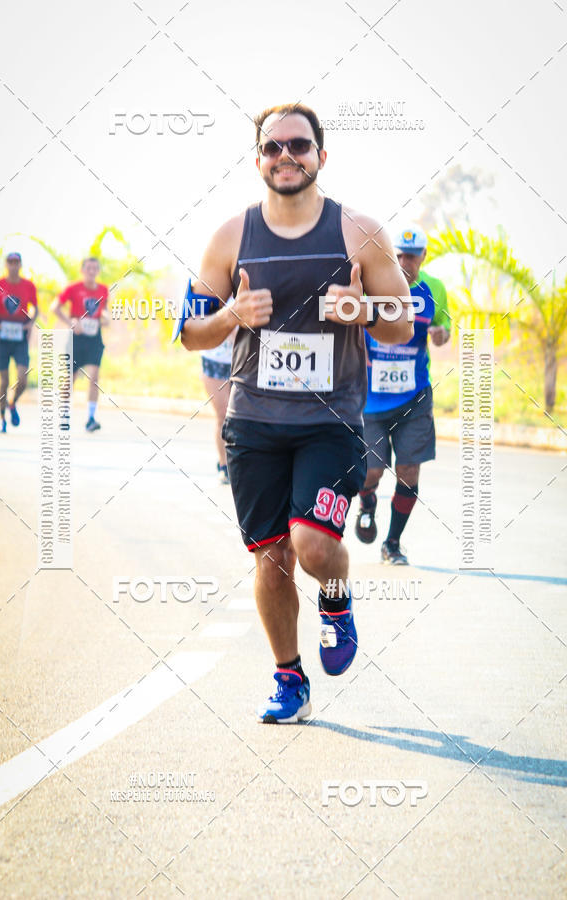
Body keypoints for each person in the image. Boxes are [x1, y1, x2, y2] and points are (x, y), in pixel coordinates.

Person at [178, 103, 412, 723]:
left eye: (299, 146)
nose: (287, 156)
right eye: (273, 146)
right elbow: (190, 333)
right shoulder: (230, 236)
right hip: (254, 423)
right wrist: (232, 315)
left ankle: (336, 603)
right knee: (271, 558)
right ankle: (290, 680)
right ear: (258, 159)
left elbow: (402, 323)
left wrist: (360, 313)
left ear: (321, 157)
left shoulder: (358, 232)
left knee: (312, 545)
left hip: (329, 421)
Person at [355, 224, 450, 565]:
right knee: (371, 473)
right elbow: (350, 321)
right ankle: (366, 502)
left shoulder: (434, 289)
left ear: (424, 256)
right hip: (370, 400)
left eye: (412, 255)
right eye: (398, 255)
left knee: (409, 472)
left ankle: (392, 543)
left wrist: (441, 334)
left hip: (415, 397)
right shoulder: (371, 286)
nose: (404, 262)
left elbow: (443, 328)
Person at [0, 252, 38, 433]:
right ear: (6, 265)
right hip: (2, 336)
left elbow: (35, 308)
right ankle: (2, 418)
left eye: (17, 262)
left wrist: (30, 323)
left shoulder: (29, 286)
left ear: (20, 265)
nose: (14, 265)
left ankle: (13, 403)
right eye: (10, 262)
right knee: (3, 380)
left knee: (23, 378)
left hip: (20, 335)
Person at [50, 257, 109, 431]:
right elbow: (55, 307)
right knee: (70, 378)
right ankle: (64, 416)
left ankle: (91, 418)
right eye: (89, 268)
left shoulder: (103, 290)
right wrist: (70, 322)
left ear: (98, 271)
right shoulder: (73, 289)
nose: (92, 271)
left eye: (95, 268)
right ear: (82, 270)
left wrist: (105, 318)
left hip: (94, 337)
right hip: (76, 337)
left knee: (94, 377)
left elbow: (104, 311)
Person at [200, 320, 237, 484]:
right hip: (214, 360)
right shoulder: (211, 294)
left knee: (239, 417)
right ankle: (224, 466)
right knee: (223, 415)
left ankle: (238, 464)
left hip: (241, 359)